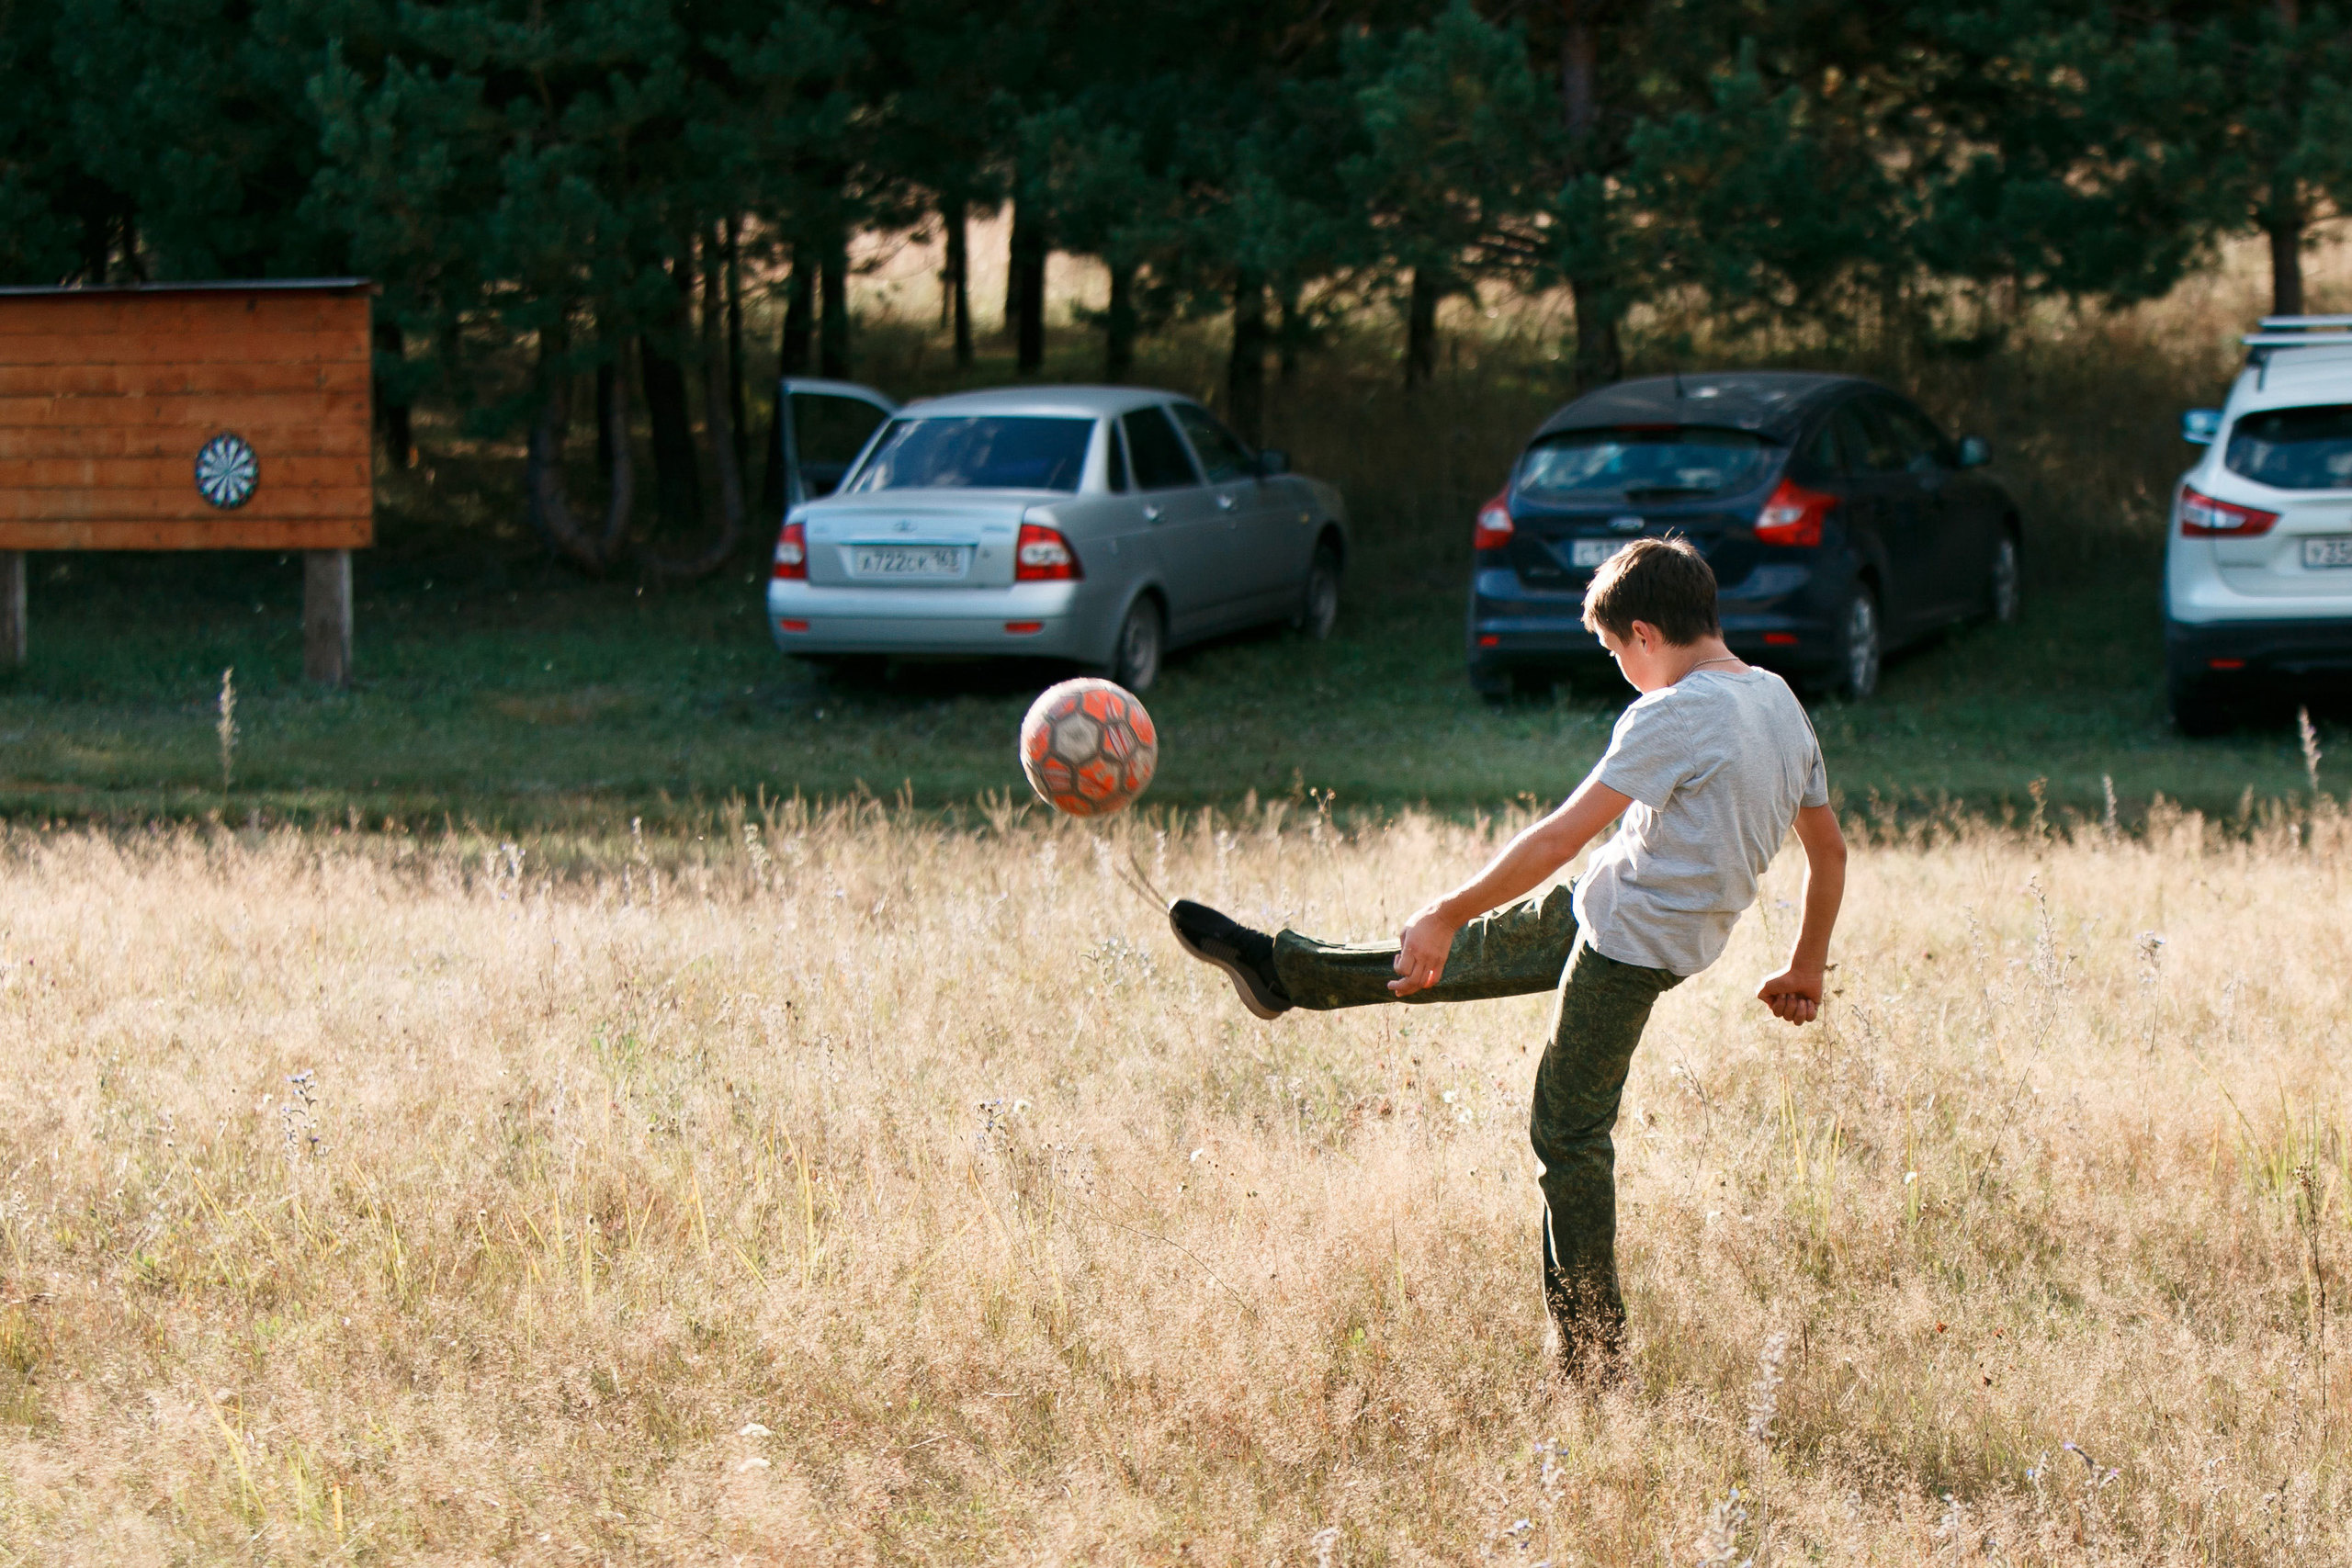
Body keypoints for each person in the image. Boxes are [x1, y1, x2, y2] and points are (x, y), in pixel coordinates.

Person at [1167, 536, 1847, 1380]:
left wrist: (1447, 904)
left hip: (1629, 948)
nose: (1620, 671)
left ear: (1642, 633)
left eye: (1612, 653)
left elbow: (1561, 833)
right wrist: (1807, 965)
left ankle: (1594, 1359)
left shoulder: (1674, 711)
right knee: (1457, 955)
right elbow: (1830, 853)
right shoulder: (1779, 701)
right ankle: (1283, 971)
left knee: (1567, 1132)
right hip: (1622, 907)